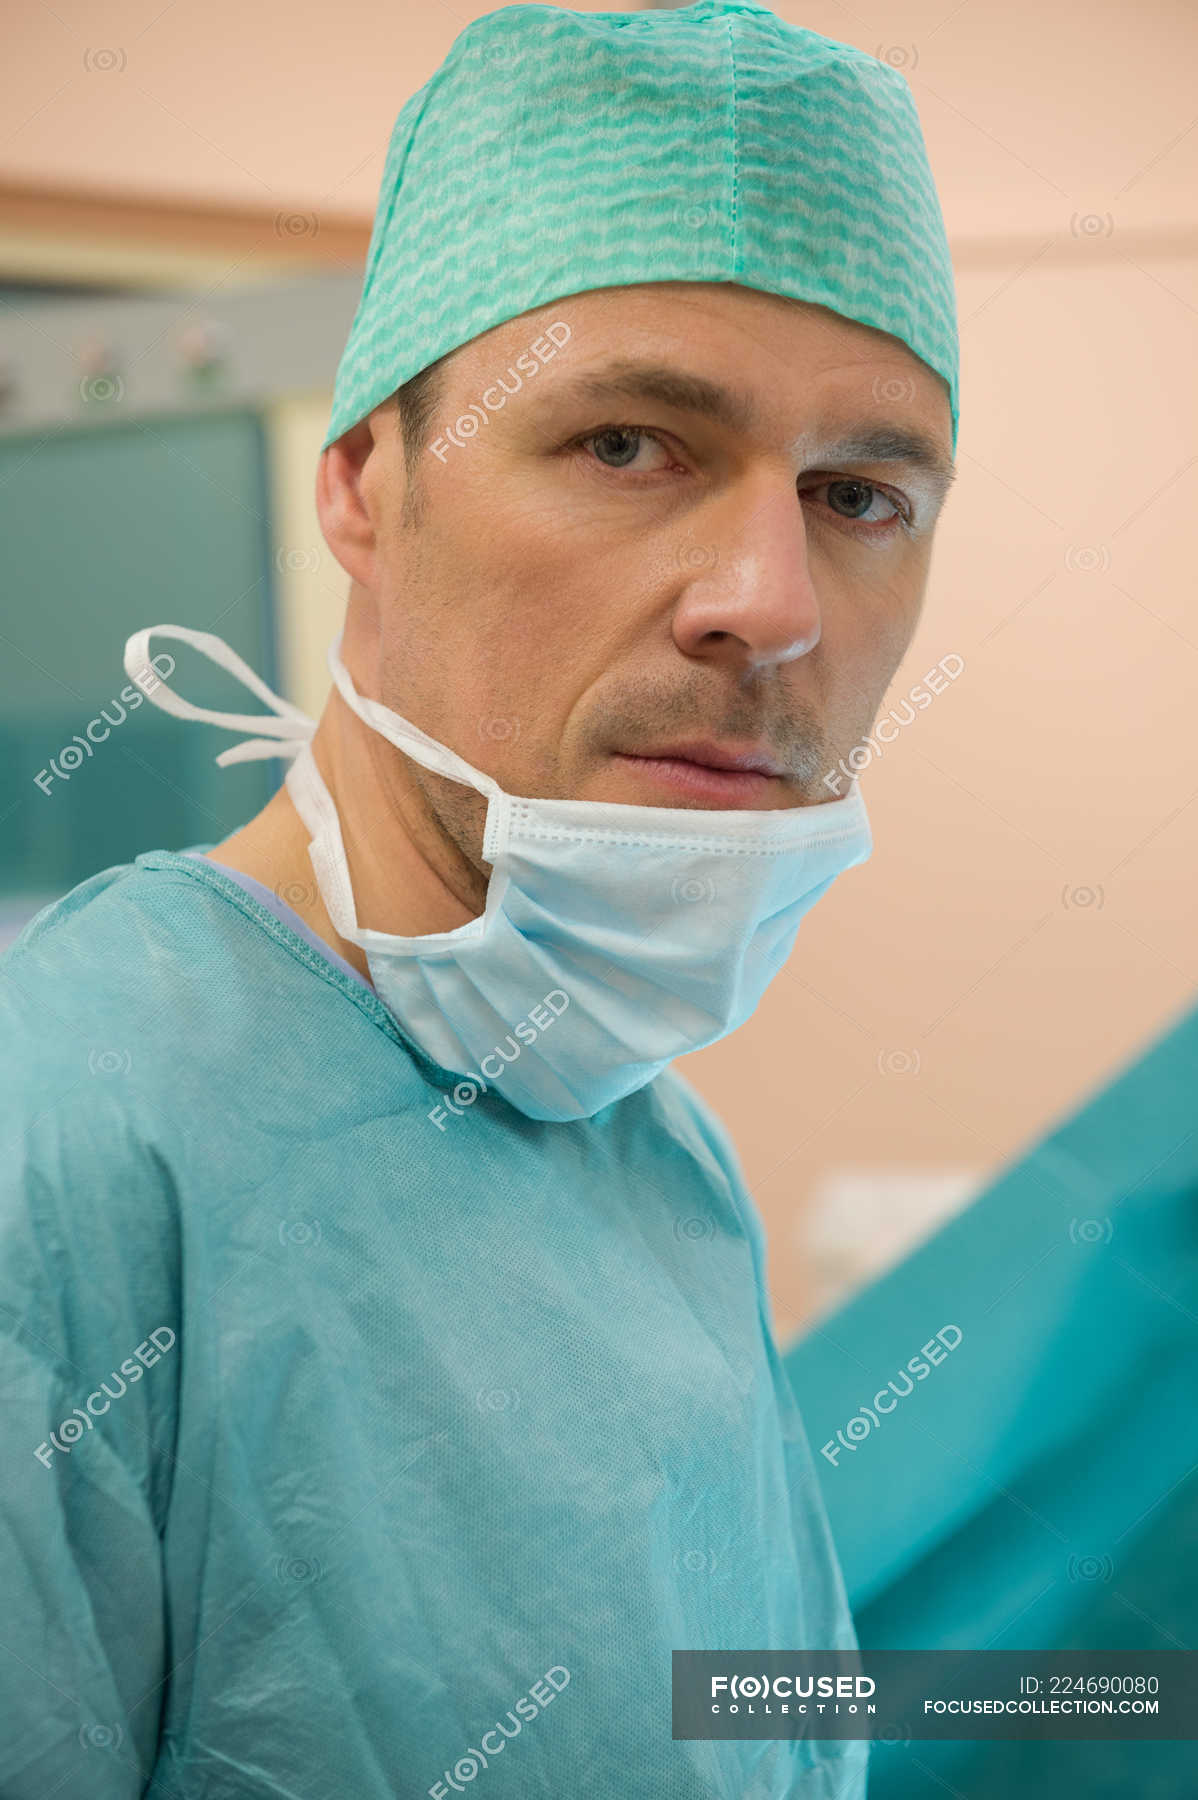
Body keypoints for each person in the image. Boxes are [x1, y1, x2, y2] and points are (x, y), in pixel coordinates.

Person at [0, 2, 958, 1794]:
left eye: (858, 492)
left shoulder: (646, 1144)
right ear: (367, 483)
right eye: (626, 444)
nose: (772, 601)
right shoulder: (64, 1133)